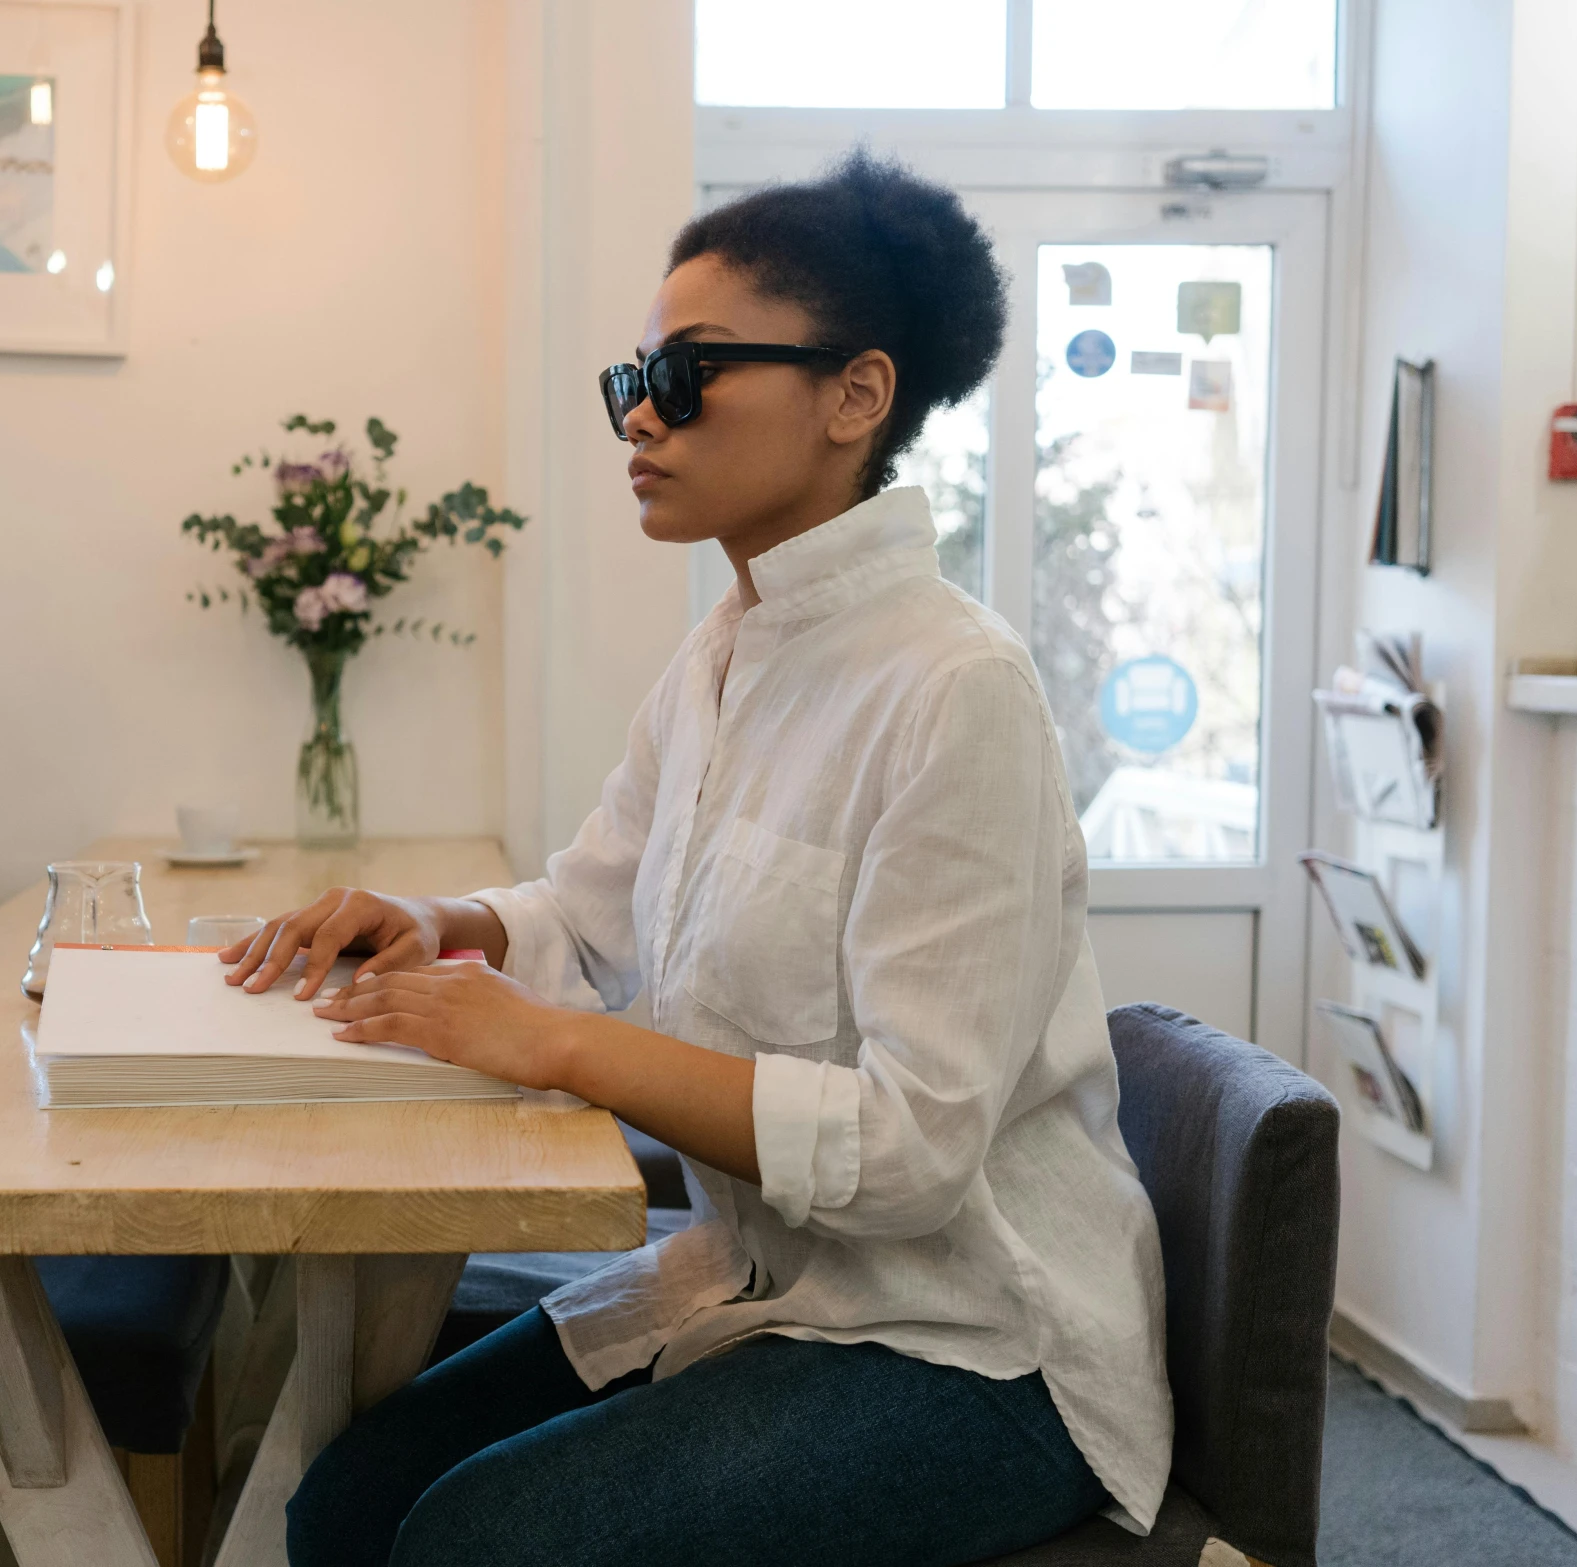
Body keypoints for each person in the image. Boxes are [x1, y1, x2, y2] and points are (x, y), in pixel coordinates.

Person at [223, 150, 1172, 1567]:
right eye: (632, 381)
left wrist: (553, 1044)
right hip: (759, 1278)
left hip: (970, 1347)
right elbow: (592, 911)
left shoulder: (952, 687)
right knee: (345, 1497)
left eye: (689, 371)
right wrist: (437, 921)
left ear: (856, 393)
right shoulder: (725, 646)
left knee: (471, 1541)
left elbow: (908, 1152)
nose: (641, 416)